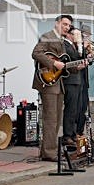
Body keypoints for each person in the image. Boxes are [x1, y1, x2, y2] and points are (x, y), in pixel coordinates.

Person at [31, 14, 72, 161]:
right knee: (50, 119)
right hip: (48, 83)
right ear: (57, 23)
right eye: (65, 24)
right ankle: (50, 153)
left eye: (68, 25)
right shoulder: (47, 36)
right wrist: (54, 64)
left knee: (56, 119)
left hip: (58, 84)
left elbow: (63, 66)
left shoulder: (62, 41)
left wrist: (77, 65)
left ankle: (48, 151)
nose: (67, 27)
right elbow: (36, 53)